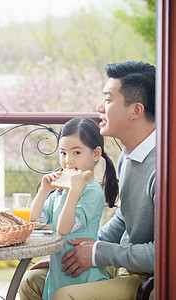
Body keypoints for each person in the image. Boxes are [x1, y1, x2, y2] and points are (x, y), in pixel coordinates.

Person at [20, 61, 156, 299]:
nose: (99, 107)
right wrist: (75, 251)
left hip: (146, 276)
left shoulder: (164, 168)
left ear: (135, 111)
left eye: (108, 100)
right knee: (32, 281)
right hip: (121, 262)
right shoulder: (129, 155)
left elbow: (165, 254)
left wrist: (97, 254)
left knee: (65, 295)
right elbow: (124, 219)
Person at [27, 117, 118, 299]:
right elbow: (35, 218)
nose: (68, 161)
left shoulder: (93, 193)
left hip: (83, 277)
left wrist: (74, 193)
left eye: (76, 153)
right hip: (59, 274)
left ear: (95, 154)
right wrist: (44, 191)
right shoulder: (61, 191)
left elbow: (64, 228)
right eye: (63, 153)